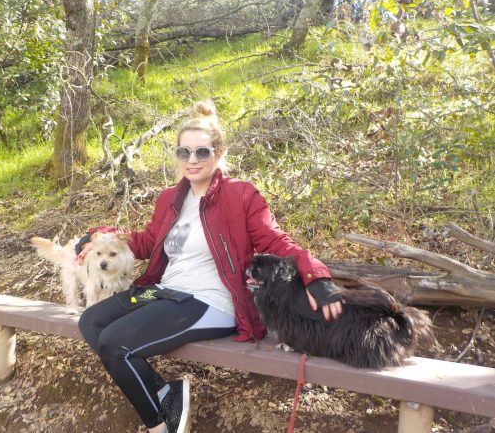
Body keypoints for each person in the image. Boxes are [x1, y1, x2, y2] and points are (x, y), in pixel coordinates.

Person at [76, 101, 343, 433]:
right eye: (184, 152)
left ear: (218, 153)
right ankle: (165, 392)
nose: (192, 160)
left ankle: (160, 427)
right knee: (91, 322)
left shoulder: (240, 196)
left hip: (210, 301)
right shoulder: (170, 199)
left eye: (201, 152)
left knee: (116, 343)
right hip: (164, 294)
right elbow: (147, 242)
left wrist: (317, 277)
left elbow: (279, 242)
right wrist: (98, 234)